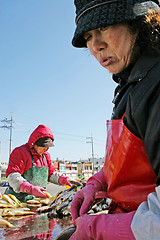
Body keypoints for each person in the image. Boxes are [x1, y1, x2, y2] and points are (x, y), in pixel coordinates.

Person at [69, 0, 160, 239]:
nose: (96, 45)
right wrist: (98, 182)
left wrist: (100, 229)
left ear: (137, 23)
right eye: (88, 36)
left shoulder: (156, 84)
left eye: (103, 27)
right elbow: (133, 160)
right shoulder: (130, 84)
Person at [5, 124, 71, 202]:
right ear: (34, 143)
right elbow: (12, 176)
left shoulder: (46, 156)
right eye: (43, 146)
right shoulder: (20, 152)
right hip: (16, 199)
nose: (45, 148)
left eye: (47, 146)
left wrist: (63, 179)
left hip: (36, 200)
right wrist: (30, 189)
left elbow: (51, 174)